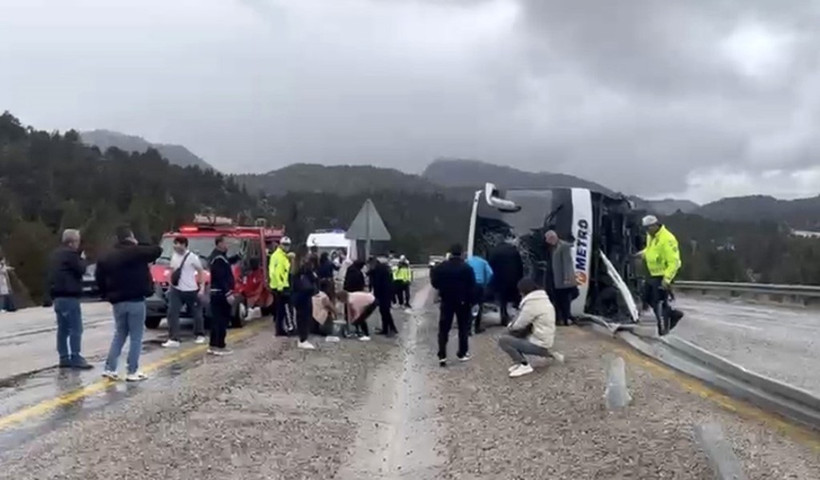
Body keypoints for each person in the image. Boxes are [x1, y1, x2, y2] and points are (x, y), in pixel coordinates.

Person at [97, 226, 162, 381]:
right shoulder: (136, 252)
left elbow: (99, 277)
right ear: (131, 237)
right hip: (135, 299)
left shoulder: (107, 256)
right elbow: (157, 251)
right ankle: (132, 370)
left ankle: (109, 368)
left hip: (117, 301)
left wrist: (106, 294)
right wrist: (140, 243)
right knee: (136, 336)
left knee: (119, 334)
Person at [499, 278, 564, 378]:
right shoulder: (542, 299)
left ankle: (523, 365)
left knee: (504, 339)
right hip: (544, 340)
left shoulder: (532, 303)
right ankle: (549, 355)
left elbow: (518, 325)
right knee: (512, 335)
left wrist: (510, 326)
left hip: (539, 343)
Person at [48, 229, 91, 369]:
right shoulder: (71, 255)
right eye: (78, 241)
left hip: (58, 296)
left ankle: (63, 356)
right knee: (76, 328)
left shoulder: (55, 255)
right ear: (72, 242)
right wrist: (83, 259)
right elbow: (81, 270)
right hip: (70, 295)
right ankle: (75, 356)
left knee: (63, 329)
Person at [638, 215, 684, 336]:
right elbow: (651, 250)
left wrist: (667, 279)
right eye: (645, 229)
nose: (647, 231)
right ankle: (672, 314)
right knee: (646, 297)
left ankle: (663, 329)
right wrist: (642, 254)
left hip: (663, 275)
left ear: (655, 225)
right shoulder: (651, 236)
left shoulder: (667, 239)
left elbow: (675, 262)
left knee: (659, 302)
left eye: (648, 228)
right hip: (652, 274)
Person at [431, 244, 475, 367]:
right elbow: (472, 286)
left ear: (450, 253)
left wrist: (442, 289)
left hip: (446, 300)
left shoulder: (441, 267)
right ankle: (462, 352)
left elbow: (434, 282)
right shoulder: (467, 268)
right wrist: (470, 300)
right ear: (461, 254)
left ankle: (442, 355)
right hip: (463, 301)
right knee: (463, 328)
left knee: (444, 328)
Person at [163, 236, 206, 348]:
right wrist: (170, 284)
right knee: (172, 312)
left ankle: (199, 334)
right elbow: (172, 270)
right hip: (176, 289)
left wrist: (201, 288)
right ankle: (174, 338)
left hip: (191, 289)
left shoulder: (192, 257)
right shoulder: (174, 256)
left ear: (184, 245)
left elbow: (201, 271)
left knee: (196, 312)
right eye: (174, 243)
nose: (175, 246)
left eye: (178, 244)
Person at [208, 235, 235, 355]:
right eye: (225, 243)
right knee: (221, 320)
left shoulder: (219, 257)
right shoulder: (218, 259)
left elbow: (228, 262)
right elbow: (221, 277)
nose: (227, 245)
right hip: (220, 293)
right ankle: (219, 345)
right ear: (219, 243)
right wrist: (228, 292)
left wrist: (237, 257)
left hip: (217, 292)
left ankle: (213, 344)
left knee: (217, 319)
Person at [488, 238, 524, 326]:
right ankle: (519, 318)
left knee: (502, 300)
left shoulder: (494, 251)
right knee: (516, 299)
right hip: (513, 279)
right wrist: (520, 278)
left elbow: (490, 266)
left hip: (499, 279)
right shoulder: (513, 251)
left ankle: (503, 317)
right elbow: (519, 266)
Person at [544, 230, 577, 326]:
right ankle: (560, 318)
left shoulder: (564, 246)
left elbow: (567, 263)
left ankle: (566, 318)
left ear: (552, 238)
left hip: (562, 279)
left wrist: (567, 277)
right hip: (555, 278)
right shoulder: (552, 247)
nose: (547, 242)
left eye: (548, 239)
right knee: (557, 299)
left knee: (564, 300)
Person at [292, 256, 318, 349]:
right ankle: (303, 339)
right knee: (304, 318)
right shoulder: (305, 272)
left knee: (301, 317)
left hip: (298, 296)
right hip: (304, 296)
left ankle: (302, 338)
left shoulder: (295, 272)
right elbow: (313, 280)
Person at [367, 256, 398, 336]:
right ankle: (386, 329)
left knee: (385, 311)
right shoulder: (380, 268)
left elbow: (378, 282)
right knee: (383, 311)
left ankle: (392, 329)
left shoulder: (380, 269)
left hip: (385, 293)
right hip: (385, 292)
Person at [268, 237, 292, 336]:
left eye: (288, 245)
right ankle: (286, 328)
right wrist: (280, 287)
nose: (286, 247)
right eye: (284, 244)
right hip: (280, 287)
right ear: (280, 245)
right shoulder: (278, 256)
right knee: (285, 308)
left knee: (280, 310)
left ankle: (280, 330)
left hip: (280, 286)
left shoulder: (283, 256)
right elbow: (276, 273)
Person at [465, 254, 493, 334]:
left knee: (468, 305)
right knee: (478, 305)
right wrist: (485, 283)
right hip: (479, 286)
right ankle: (477, 327)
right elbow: (490, 273)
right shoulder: (483, 262)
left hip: (469, 285)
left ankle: (467, 328)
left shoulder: (468, 261)